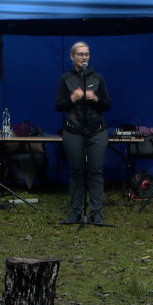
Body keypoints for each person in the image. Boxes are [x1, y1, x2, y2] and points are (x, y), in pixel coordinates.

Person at [55, 41, 112, 225]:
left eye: (86, 54)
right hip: (74, 130)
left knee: (96, 171)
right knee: (76, 172)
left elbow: (107, 105)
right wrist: (72, 98)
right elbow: (58, 106)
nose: (84, 57)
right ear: (72, 57)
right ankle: (76, 211)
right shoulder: (66, 79)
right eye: (80, 54)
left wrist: (95, 98)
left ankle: (97, 213)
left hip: (96, 130)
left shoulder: (97, 78)